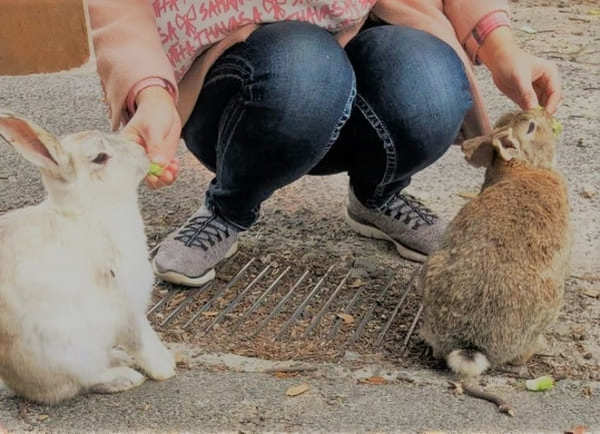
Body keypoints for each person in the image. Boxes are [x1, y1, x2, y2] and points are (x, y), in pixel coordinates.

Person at [89, 0, 561, 287]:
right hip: (238, 78)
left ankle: (377, 193)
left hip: (349, 33)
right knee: (304, 69)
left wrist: (501, 48)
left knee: (433, 85)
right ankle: (229, 205)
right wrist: (150, 93)